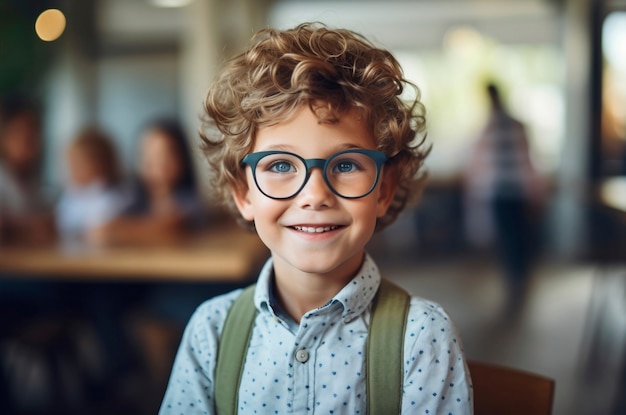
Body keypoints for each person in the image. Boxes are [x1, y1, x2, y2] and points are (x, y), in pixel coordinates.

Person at [160, 23, 473, 414]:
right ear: (243, 193)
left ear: (384, 189)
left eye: (345, 164)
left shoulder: (422, 336)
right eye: (279, 165)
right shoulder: (212, 332)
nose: (315, 195)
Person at [464, 83, 545, 314]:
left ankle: (515, 279)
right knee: (517, 237)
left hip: (504, 191)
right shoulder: (513, 125)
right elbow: (526, 160)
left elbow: (486, 162)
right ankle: (517, 279)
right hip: (513, 190)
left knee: (511, 238)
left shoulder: (491, 127)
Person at [89, 119, 206, 245]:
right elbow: (99, 230)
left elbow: (170, 226)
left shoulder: (190, 202)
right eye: (148, 155)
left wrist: (116, 230)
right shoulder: (134, 203)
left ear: (182, 158)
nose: (157, 162)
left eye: (165, 154)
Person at [55, 127, 128, 244]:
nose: (72, 171)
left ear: (100, 165)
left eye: (79, 164)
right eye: (71, 165)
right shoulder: (70, 196)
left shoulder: (115, 199)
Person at [0, 95, 54, 245]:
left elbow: (49, 223)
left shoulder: (32, 182)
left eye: (34, 131)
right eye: (20, 131)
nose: (28, 140)